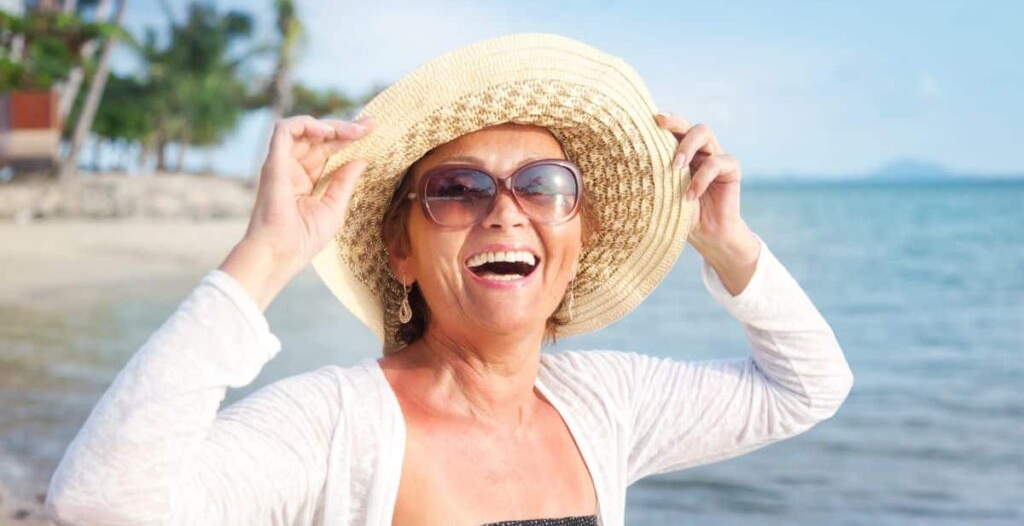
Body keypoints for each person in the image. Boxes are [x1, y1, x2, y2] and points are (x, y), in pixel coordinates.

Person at [44, 34, 854, 526]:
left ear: (578, 236)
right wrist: (266, 255)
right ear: (400, 249)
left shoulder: (607, 405)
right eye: (457, 190)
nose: (505, 212)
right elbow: (100, 505)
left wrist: (727, 243)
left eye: (543, 185)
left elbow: (807, 388)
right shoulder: (334, 424)